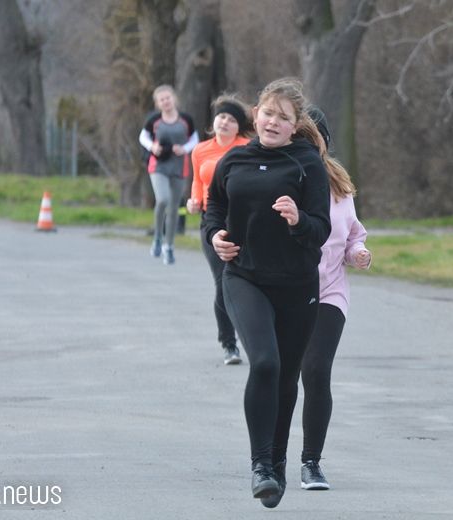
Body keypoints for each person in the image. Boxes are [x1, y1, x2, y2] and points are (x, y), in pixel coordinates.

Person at [203, 77, 331, 508]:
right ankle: (261, 464)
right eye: (268, 113)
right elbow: (214, 208)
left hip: (296, 285)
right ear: (255, 115)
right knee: (264, 363)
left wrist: (298, 220)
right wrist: (215, 236)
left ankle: (277, 461)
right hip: (245, 276)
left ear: (296, 126)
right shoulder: (234, 160)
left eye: (284, 117)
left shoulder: (307, 163)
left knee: (287, 375)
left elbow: (320, 229)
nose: (273, 121)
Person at [298, 107, 372, 491]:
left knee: (315, 370)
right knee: (277, 376)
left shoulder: (338, 185)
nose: (309, 147)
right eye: (301, 139)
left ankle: (311, 462)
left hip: (330, 291)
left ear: (325, 143)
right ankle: (268, 458)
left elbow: (353, 233)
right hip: (288, 291)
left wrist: (358, 251)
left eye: (315, 139)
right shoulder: (281, 179)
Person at [186, 94, 253, 365]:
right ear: (215, 121)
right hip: (212, 222)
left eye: (231, 119)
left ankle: (256, 334)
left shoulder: (249, 147)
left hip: (245, 222)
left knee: (247, 280)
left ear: (239, 127)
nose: (225, 122)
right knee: (222, 280)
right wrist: (193, 202)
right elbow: (197, 184)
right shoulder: (200, 150)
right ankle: (229, 344)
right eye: (222, 117)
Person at [139, 84, 199, 264]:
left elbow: (194, 139)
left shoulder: (186, 120)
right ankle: (157, 237)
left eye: (168, 98)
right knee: (163, 199)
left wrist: (185, 148)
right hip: (159, 166)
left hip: (180, 167)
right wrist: (153, 147)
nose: (165, 101)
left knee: (174, 208)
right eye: (161, 99)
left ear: (174, 99)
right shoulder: (154, 120)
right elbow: (143, 137)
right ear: (158, 103)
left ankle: (169, 246)